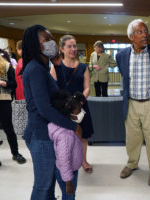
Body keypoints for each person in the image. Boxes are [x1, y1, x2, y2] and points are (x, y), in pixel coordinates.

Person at [21, 25, 82, 200]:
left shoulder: (44, 67)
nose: (51, 43)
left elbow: (62, 94)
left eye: (51, 38)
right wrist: (72, 126)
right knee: (43, 186)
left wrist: (59, 67)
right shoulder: (35, 69)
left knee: (49, 185)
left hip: (49, 132)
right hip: (40, 135)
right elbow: (44, 109)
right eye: (46, 40)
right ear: (35, 44)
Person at [116, 19, 150, 186]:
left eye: (146, 31)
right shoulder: (121, 55)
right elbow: (125, 77)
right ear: (131, 36)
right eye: (140, 32)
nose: (145, 34)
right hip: (131, 104)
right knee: (132, 138)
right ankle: (132, 164)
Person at [50, 34, 94, 173]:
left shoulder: (83, 67)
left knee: (82, 135)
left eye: (74, 46)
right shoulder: (56, 67)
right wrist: (66, 104)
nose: (73, 49)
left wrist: (80, 102)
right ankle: (65, 161)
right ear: (62, 49)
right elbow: (54, 88)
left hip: (80, 107)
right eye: (69, 46)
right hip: (64, 109)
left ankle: (83, 161)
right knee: (64, 136)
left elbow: (87, 87)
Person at [0, 35, 26, 176]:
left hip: (3, 101)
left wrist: (1, 83)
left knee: (9, 129)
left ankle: (16, 153)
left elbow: (14, 84)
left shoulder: (5, 64)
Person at [48, 90, 84, 200]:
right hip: (68, 173)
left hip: (69, 169)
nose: (81, 113)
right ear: (69, 113)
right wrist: (68, 182)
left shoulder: (64, 126)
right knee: (69, 196)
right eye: (78, 110)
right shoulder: (66, 136)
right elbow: (63, 160)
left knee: (69, 195)